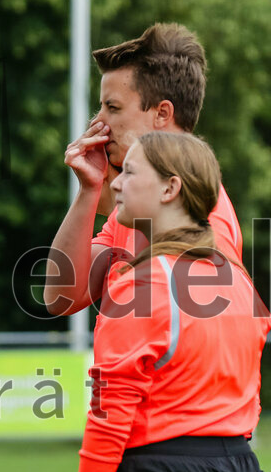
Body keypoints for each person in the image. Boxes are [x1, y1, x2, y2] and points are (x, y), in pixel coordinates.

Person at [67, 132, 268, 472]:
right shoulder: (237, 278)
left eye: (130, 173)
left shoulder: (138, 282)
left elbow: (108, 411)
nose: (117, 184)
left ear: (170, 188)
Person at [44, 23, 243, 316]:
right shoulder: (134, 207)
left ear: (162, 113)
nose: (98, 123)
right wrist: (89, 190)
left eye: (113, 107)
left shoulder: (206, 217)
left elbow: (201, 337)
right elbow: (61, 298)